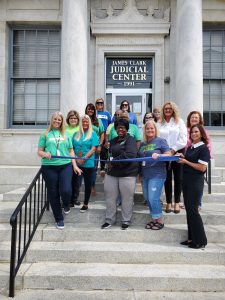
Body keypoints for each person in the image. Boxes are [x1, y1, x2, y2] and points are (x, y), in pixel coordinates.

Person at [37, 111, 82, 229]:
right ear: (51, 120)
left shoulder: (66, 133)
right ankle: (59, 218)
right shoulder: (45, 134)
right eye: (55, 119)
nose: (57, 121)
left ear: (62, 121)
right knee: (53, 193)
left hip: (65, 165)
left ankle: (66, 204)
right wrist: (44, 154)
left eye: (59, 119)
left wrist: (75, 166)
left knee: (66, 190)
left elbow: (71, 150)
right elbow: (39, 151)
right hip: (49, 166)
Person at [101, 118, 139, 230]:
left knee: (127, 198)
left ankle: (126, 220)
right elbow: (108, 155)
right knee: (110, 197)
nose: (120, 129)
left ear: (126, 129)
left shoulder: (131, 140)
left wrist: (113, 161)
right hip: (112, 173)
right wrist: (108, 160)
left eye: (122, 127)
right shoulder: (112, 141)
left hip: (127, 174)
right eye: (118, 127)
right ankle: (109, 220)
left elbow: (130, 155)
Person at [179, 124, 210, 249]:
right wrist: (183, 157)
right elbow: (189, 161)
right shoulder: (190, 147)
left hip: (195, 183)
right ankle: (192, 238)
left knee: (193, 211)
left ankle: (200, 241)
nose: (193, 134)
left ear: (201, 133)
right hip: (187, 181)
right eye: (192, 132)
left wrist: (186, 161)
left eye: (196, 132)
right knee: (189, 211)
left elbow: (202, 167)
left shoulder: (203, 149)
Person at [139, 120, 171, 230]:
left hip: (157, 174)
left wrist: (159, 155)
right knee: (148, 198)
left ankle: (160, 220)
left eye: (152, 128)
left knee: (154, 198)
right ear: (145, 130)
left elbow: (169, 154)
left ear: (155, 129)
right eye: (147, 128)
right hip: (145, 175)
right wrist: (140, 174)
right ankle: (154, 219)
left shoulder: (161, 141)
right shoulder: (143, 144)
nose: (149, 130)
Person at [157, 101, 187, 214]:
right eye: (166, 109)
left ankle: (177, 202)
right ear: (163, 111)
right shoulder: (159, 123)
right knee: (167, 178)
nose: (168, 110)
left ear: (173, 110)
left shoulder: (179, 122)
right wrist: (165, 151)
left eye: (170, 108)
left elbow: (183, 139)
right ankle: (169, 202)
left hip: (178, 152)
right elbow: (157, 138)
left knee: (178, 178)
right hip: (164, 153)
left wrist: (173, 150)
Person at [183, 111, 213, 210]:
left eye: (196, 117)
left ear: (200, 120)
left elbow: (207, 145)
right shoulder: (185, 130)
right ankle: (190, 202)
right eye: (192, 117)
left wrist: (207, 156)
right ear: (189, 119)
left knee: (197, 183)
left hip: (198, 159)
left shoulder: (203, 132)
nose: (194, 119)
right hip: (188, 156)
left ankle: (198, 203)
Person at [72, 114, 99, 212]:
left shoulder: (93, 134)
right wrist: (76, 158)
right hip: (76, 164)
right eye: (83, 121)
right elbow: (71, 148)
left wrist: (83, 158)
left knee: (88, 184)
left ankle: (86, 204)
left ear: (89, 123)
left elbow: (93, 149)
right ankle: (73, 200)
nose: (85, 123)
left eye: (86, 121)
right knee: (75, 183)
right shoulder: (75, 134)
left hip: (88, 164)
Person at [85, 103, 104, 195]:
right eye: (89, 109)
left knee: (93, 168)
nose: (90, 111)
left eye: (92, 109)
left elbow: (102, 134)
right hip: (85, 148)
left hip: (95, 148)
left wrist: (100, 145)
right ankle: (86, 185)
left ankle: (92, 186)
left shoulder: (98, 121)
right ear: (86, 110)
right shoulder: (84, 120)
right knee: (84, 167)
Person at [66, 110, 81, 206]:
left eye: (75, 118)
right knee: (68, 181)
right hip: (67, 158)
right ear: (68, 119)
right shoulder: (64, 129)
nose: (73, 119)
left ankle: (75, 199)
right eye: (71, 118)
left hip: (78, 157)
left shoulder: (80, 129)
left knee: (77, 181)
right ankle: (68, 200)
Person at [95, 98, 112, 176]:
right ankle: (94, 168)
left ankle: (102, 168)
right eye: (98, 103)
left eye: (101, 103)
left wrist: (107, 138)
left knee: (103, 152)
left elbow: (109, 125)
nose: (100, 105)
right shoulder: (94, 113)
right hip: (95, 134)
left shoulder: (107, 113)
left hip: (104, 134)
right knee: (95, 151)